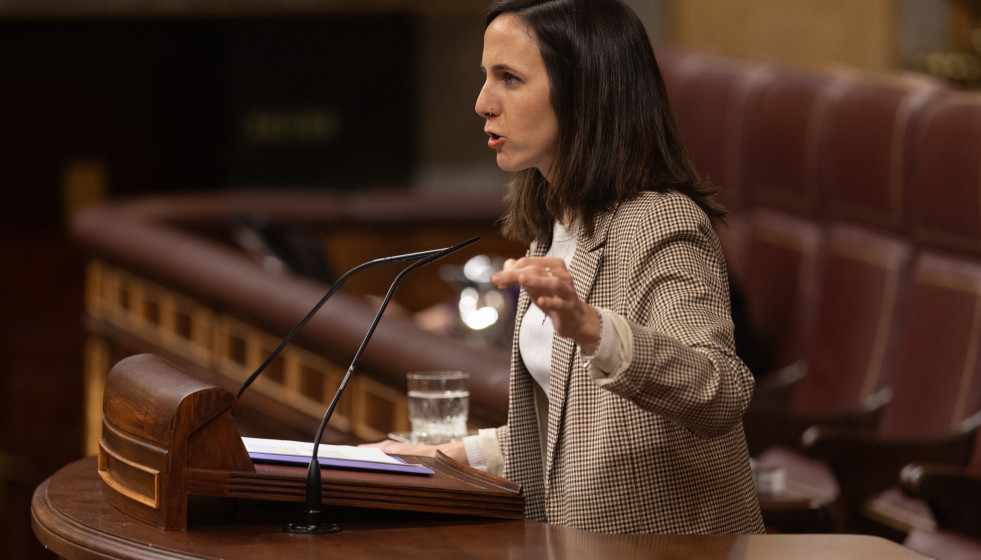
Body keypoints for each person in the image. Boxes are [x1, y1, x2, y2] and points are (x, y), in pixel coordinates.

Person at [369, 0, 764, 534]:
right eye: (486, 77)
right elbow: (572, 431)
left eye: (509, 78)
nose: (482, 102)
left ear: (585, 92)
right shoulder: (552, 227)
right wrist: (446, 453)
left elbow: (720, 391)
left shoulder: (661, 222)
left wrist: (592, 328)